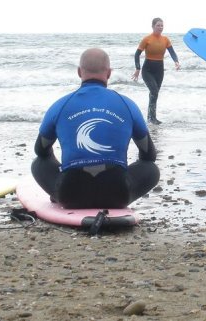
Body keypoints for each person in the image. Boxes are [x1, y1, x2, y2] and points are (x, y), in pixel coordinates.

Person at [32, 48, 160, 209]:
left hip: (70, 195)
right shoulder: (127, 105)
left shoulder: (60, 105)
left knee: (39, 162)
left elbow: (41, 150)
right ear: (109, 73)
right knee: (151, 169)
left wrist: (63, 165)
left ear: (79, 72)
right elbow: (149, 155)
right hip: (118, 194)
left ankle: (57, 193)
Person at [132, 17, 180, 125]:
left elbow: (172, 52)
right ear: (153, 26)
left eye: (162, 25)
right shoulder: (147, 39)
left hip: (159, 70)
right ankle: (151, 119)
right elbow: (137, 54)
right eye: (158, 25)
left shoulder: (165, 39)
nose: (160, 27)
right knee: (154, 91)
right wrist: (137, 69)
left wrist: (176, 61)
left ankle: (151, 118)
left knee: (155, 93)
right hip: (147, 70)